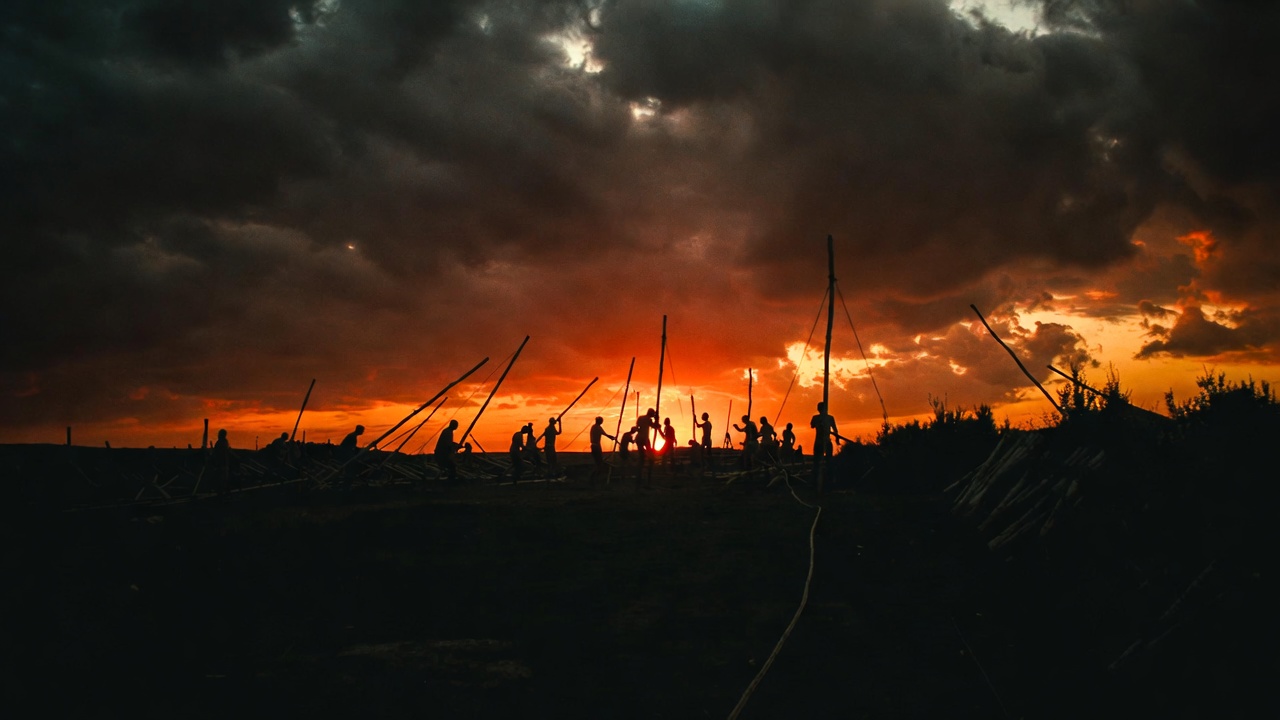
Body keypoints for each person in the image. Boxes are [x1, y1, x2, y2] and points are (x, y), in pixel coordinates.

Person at [810, 402, 841, 479]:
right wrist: (837, 440)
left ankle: (826, 479)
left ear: (818, 409)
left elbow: (812, 425)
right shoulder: (826, 418)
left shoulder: (821, 418)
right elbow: (812, 425)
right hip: (822, 442)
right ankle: (819, 480)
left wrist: (837, 439)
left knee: (819, 462)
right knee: (824, 462)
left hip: (823, 442)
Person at [589, 416, 616, 483]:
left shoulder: (593, 427)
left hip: (593, 446)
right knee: (599, 463)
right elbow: (605, 434)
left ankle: (594, 478)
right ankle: (594, 478)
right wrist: (612, 437)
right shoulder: (598, 428)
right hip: (596, 447)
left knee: (598, 463)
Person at [435, 419, 460, 483]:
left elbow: (449, 443)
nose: (456, 427)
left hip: (442, 453)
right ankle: (451, 481)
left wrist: (456, 445)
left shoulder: (448, 431)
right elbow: (448, 445)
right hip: (442, 454)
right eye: (456, 425)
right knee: (452, 466)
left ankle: (449, 479)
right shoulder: (448, 432)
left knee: (450, 466)